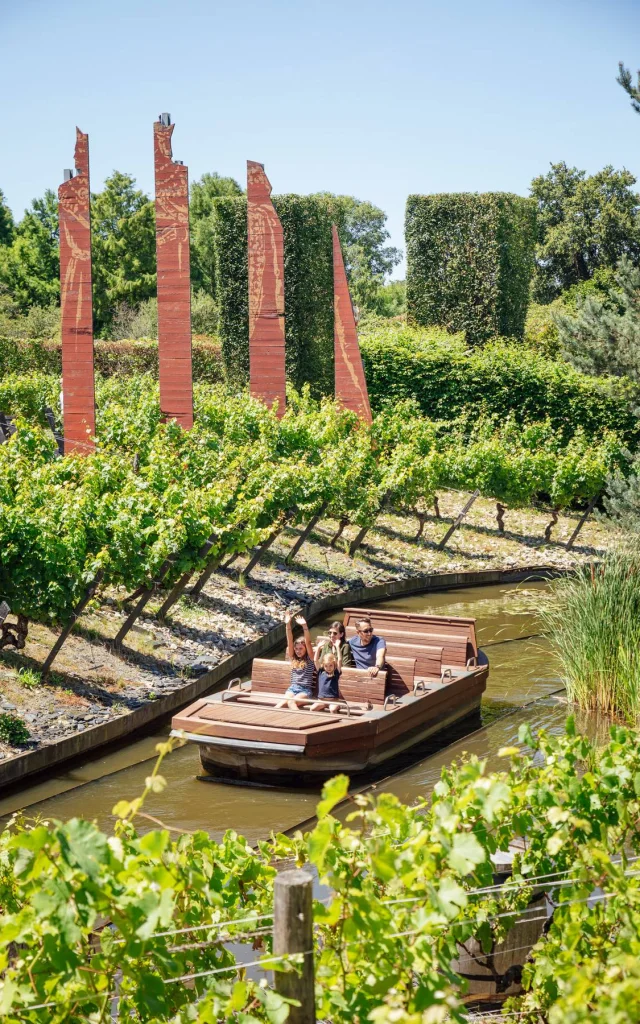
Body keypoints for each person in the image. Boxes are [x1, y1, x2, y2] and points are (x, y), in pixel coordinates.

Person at [283, 612, 314, 700]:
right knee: (284, 702)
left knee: (292, 702)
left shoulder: (310, 658)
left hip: (305, 690)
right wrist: (288, 624)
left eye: (300, 648)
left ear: (305, 649)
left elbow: (308, 642)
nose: (298, 651)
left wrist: (304, 626)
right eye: (296, 648)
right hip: (292, 688)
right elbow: (289, 640)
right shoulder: (293, 658)